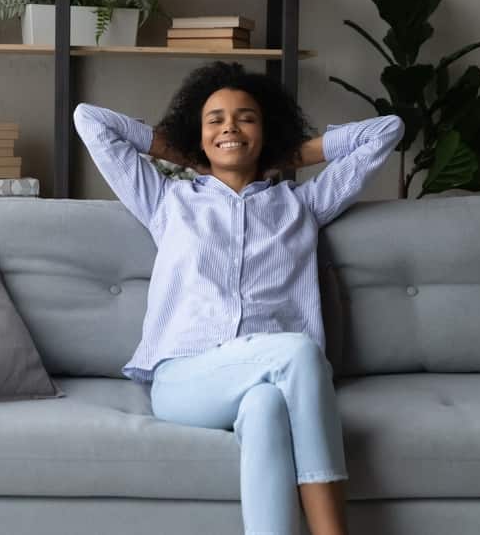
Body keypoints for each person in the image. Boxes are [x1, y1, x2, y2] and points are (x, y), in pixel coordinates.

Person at [73, 61, 403, 535]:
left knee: (268, 406)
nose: (230, 126)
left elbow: (386, 130)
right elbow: (90, 120)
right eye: (215, 120)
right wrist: (193, 155)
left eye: (246, 118)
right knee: (298, 351)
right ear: (197, 133)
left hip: (272, 377)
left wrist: (287, 155)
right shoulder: (167, 201)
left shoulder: (302, 205)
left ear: (267, 131)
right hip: (185, 378)